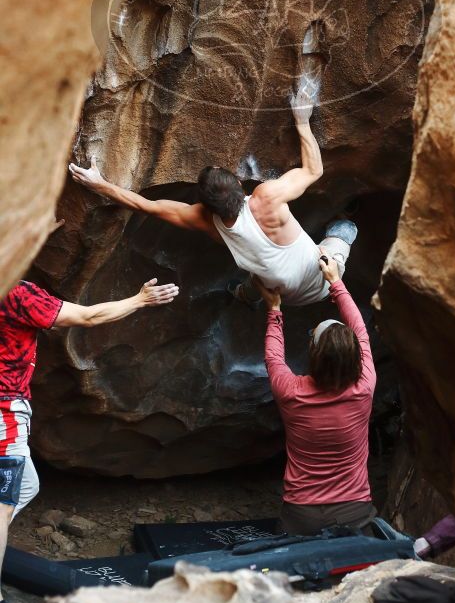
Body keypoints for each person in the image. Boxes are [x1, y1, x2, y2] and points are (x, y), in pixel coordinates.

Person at [69, 85, 357, 308]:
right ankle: (346, 221)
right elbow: (313, 170)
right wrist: (302, 118)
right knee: (343, 231)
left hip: (283, 295)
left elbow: (147, 206)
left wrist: (100, 185)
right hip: (325, 281)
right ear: (241, 188)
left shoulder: (204, 220)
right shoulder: (267, 197)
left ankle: (243, 297)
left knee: (257, 281)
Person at [0, 277, 178, 603]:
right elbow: (88, 317)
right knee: (2, 507)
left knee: (26, 485)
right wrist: (139, 299)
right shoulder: (16, 291)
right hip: (4, 412)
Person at [255, 251, 377, 535]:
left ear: (313, 353)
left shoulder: (291, 392)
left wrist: (274, 308)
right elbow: (360, 330)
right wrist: (336, 282)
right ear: (356, 356)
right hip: (354, 511)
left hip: (301, 515)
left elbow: (274, 358)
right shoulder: (365, 385)